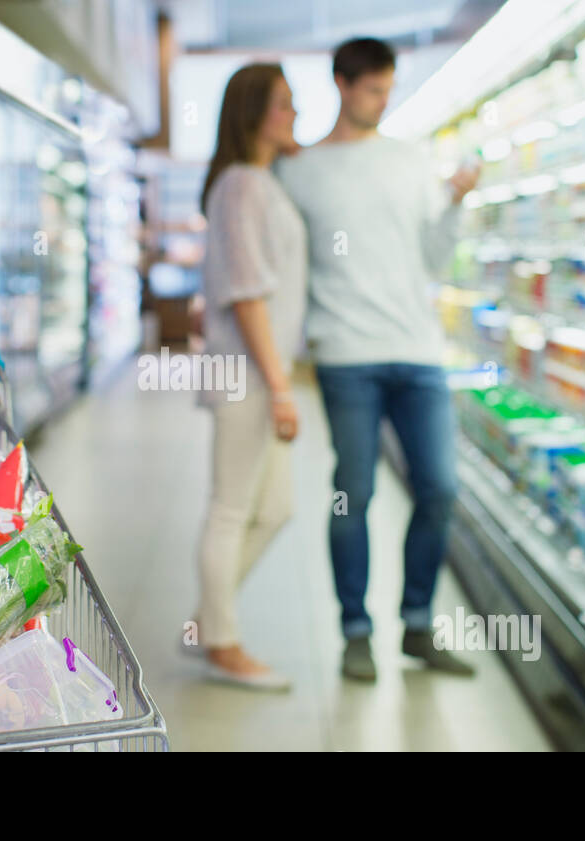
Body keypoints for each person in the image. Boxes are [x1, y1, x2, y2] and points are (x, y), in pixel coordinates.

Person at [274, 37, 480, 682]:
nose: (382, 102)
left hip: (417, 350)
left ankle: (416, 623)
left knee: (440, 488)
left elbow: (434, 259)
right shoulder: (300, 170)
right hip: (347, 355)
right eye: (372, 90)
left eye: (389, 89)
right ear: (341, 82)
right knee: (352, 493)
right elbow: (282, 259)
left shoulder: (411, 159)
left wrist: (455, 202)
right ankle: (356, 631)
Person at [190, 63, 306, 691]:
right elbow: (246, 294)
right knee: (233, 507)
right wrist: (280, 386)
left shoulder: (261, 180)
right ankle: (223, 644)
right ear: (253, 113)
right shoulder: (240, 185)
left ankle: (211, 618)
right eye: (285, 105)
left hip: (261, 370)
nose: (295, 115)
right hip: (248, 373)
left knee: (276, 507)